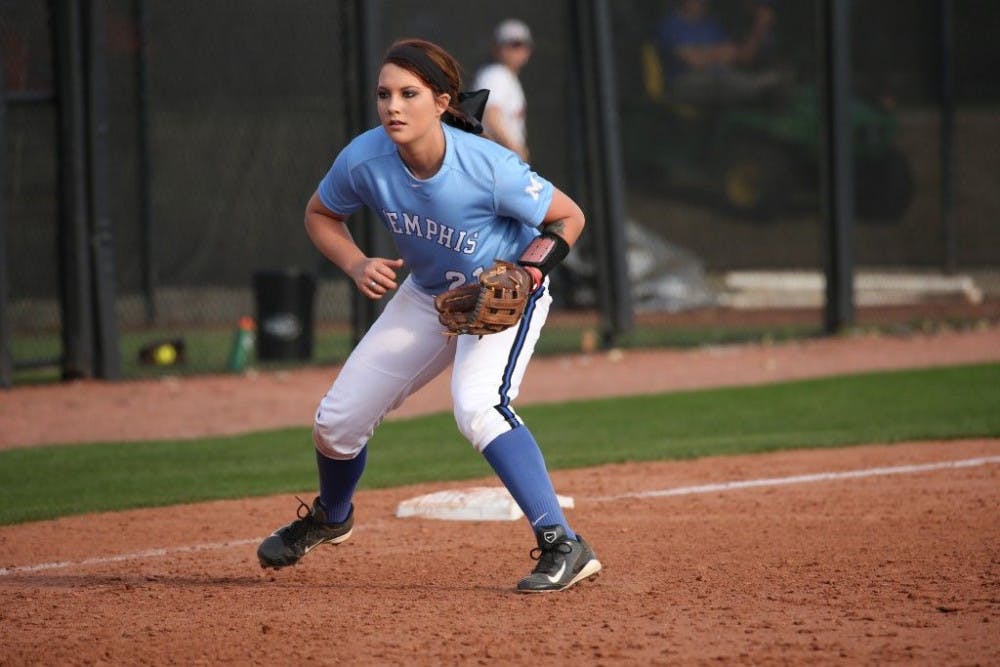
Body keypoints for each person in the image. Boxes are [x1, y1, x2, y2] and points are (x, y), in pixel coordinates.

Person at [256, 38, 601, 593]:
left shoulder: (486, 166)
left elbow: (567, 218)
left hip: (500, 293)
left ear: (441, 102)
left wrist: (528, 274)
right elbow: (321, 214)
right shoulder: (365, 158)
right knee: (336, 423)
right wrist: (356, 262)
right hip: (428, 296)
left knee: (478, 406)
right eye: (384, 94)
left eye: (409, 94)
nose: (393, 106)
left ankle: (564, 543)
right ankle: (332, 516)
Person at [655, 0, 786, 105]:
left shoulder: (711, 25)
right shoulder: (670, 25)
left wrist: (704, 53)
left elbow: (735, 54)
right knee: (718, 80)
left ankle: (765, 88)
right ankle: (760, 86)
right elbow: (695, 62)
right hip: (682, 83)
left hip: (720, 79)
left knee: (724, 79)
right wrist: (717, 54)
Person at [472, 19, 533, 162]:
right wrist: (515, 149)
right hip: (494, 159)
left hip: (499, 158)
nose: (516, 50)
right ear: (497, 48)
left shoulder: (508, 77)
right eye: (510, 45)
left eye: (519, 44)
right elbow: (491, 116)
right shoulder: (496, 74)